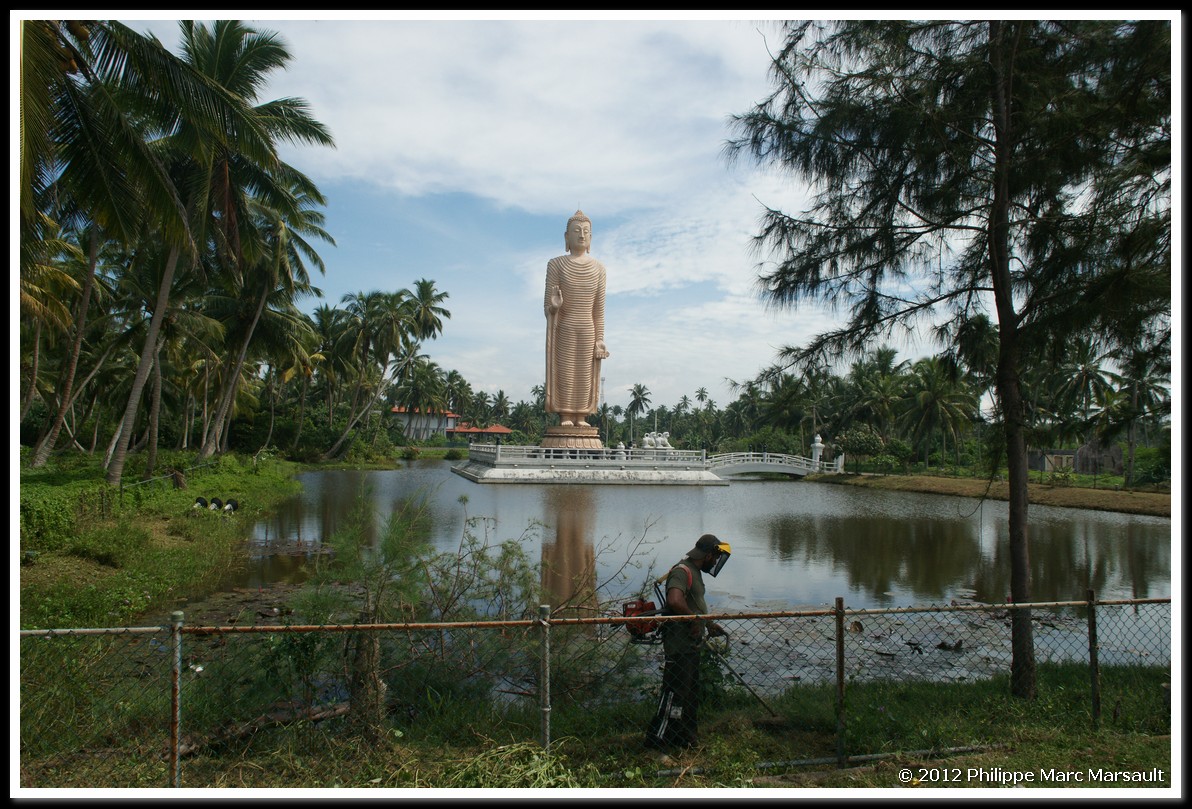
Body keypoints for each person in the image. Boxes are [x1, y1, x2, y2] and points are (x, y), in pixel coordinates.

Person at [645, 534, 731, 752]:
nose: (715, 563)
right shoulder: (682, 572)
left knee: (688, 696)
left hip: (691, 646)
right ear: (709, 555)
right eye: (715, 558)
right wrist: (695, 619)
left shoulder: (695, 573)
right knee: (674, 694)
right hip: (679, 647)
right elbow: (675, 600)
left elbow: (693, 605)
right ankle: (657, 743)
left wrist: (707, 624)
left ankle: (684, 739)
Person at [544, 210, 609, 428]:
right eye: (576, 231)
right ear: (566, 237)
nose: (581, 235)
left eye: (586, 232)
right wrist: (554, 307)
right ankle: (565, 415)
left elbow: (599, 309)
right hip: (565, 325)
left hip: (588, 328)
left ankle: (581, 416)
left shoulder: (599, 268)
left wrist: (599, 338)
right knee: (566, 372)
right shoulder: (556, 264)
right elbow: (548, 305)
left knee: (584, 374)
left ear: (591, 238)